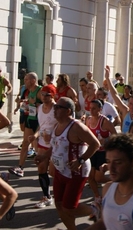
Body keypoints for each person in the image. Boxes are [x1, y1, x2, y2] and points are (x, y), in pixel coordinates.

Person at [34, 97, 101, 230]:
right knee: (59, 205)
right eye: (55, 107)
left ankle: (95, 209)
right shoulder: (57, 125)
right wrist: (43, 157)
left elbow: (95, 144)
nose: (55, 109)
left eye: (59, 107)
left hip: (76, 171)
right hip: (60, 170)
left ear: (68, 111)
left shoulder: (77, 127)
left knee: (69, 208)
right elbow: (54, 146)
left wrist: (81, 160)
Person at [87, 133, 133, 230]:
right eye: (109, 161)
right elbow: (104, 223)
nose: (111, 168)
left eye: (118, 162)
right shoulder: (107, 188)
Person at [29, 85, 58, 208]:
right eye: (42, 94)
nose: (44, 97)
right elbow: (41, 126)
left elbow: (64, 125)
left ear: (52, 95)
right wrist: (35, 136)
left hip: (56, 145)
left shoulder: (57, 109)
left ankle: (61, 194)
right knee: (41, 169)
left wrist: (52, 137)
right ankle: (46, 196)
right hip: (42, 143)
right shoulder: (40, 108)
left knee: (54, 172)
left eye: (47, 94)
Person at [85, 99, 117, 211]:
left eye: (94, 108)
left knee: (98, 177)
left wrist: (106, 140)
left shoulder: (105, 121)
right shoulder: (88, 120)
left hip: (103, 152)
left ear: (100, 109)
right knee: (90, 177)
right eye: (90, 108)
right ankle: (97, 197)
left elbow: (116, 135)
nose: (91, 110)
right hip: (92, 151)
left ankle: (115, 181)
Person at [9, 72, 42, 177]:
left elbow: (47, 104)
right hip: (30, 119)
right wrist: (26, 104)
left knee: (38, 147)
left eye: (27, 79)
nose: (25, 81)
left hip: (39, 121)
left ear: (33, 80)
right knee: (25, 144)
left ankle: (44, 169)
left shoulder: (40, 91)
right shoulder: (29, 91)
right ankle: (20, 167)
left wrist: (35, 104)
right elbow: (31, 104)